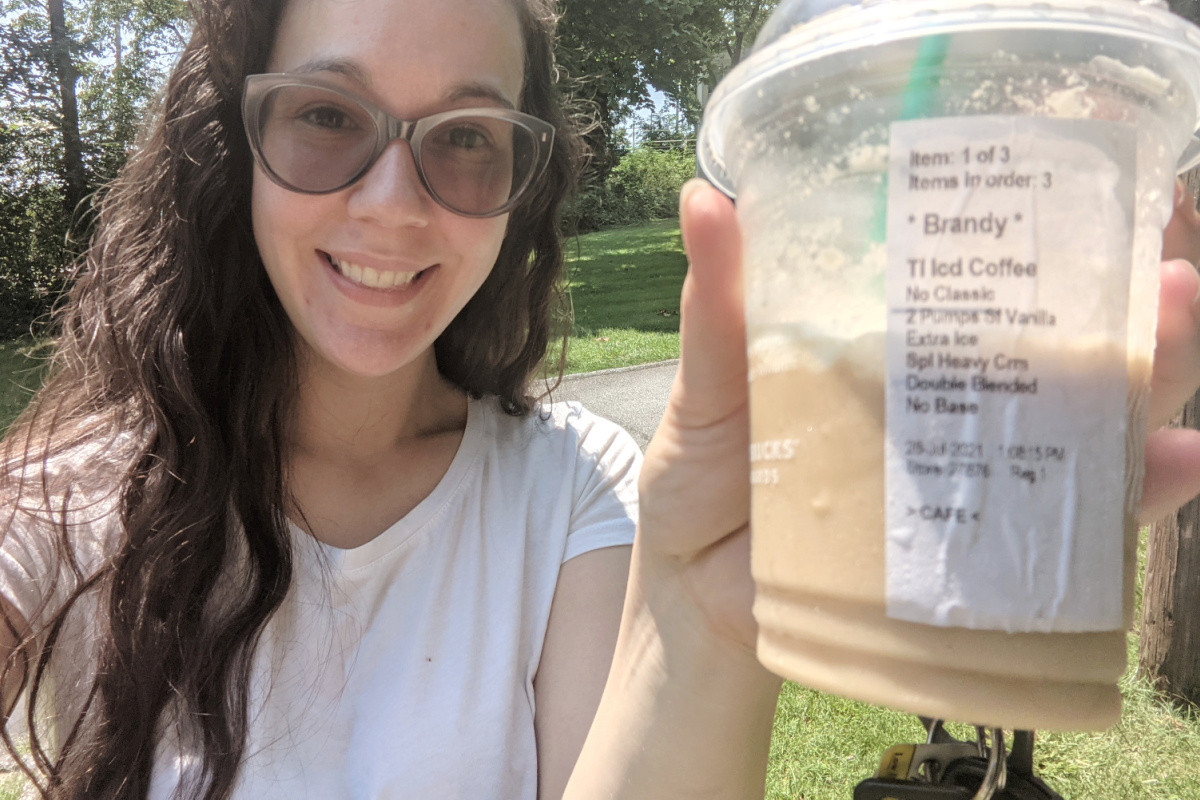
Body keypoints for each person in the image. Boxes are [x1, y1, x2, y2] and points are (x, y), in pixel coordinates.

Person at [3, 0, 1200, 798]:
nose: (392, 202)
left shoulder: (575, 491)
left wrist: (708, 621)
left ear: (521, 184)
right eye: (328, 117)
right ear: (235, 137)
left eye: (466, 138)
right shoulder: (60, 504)